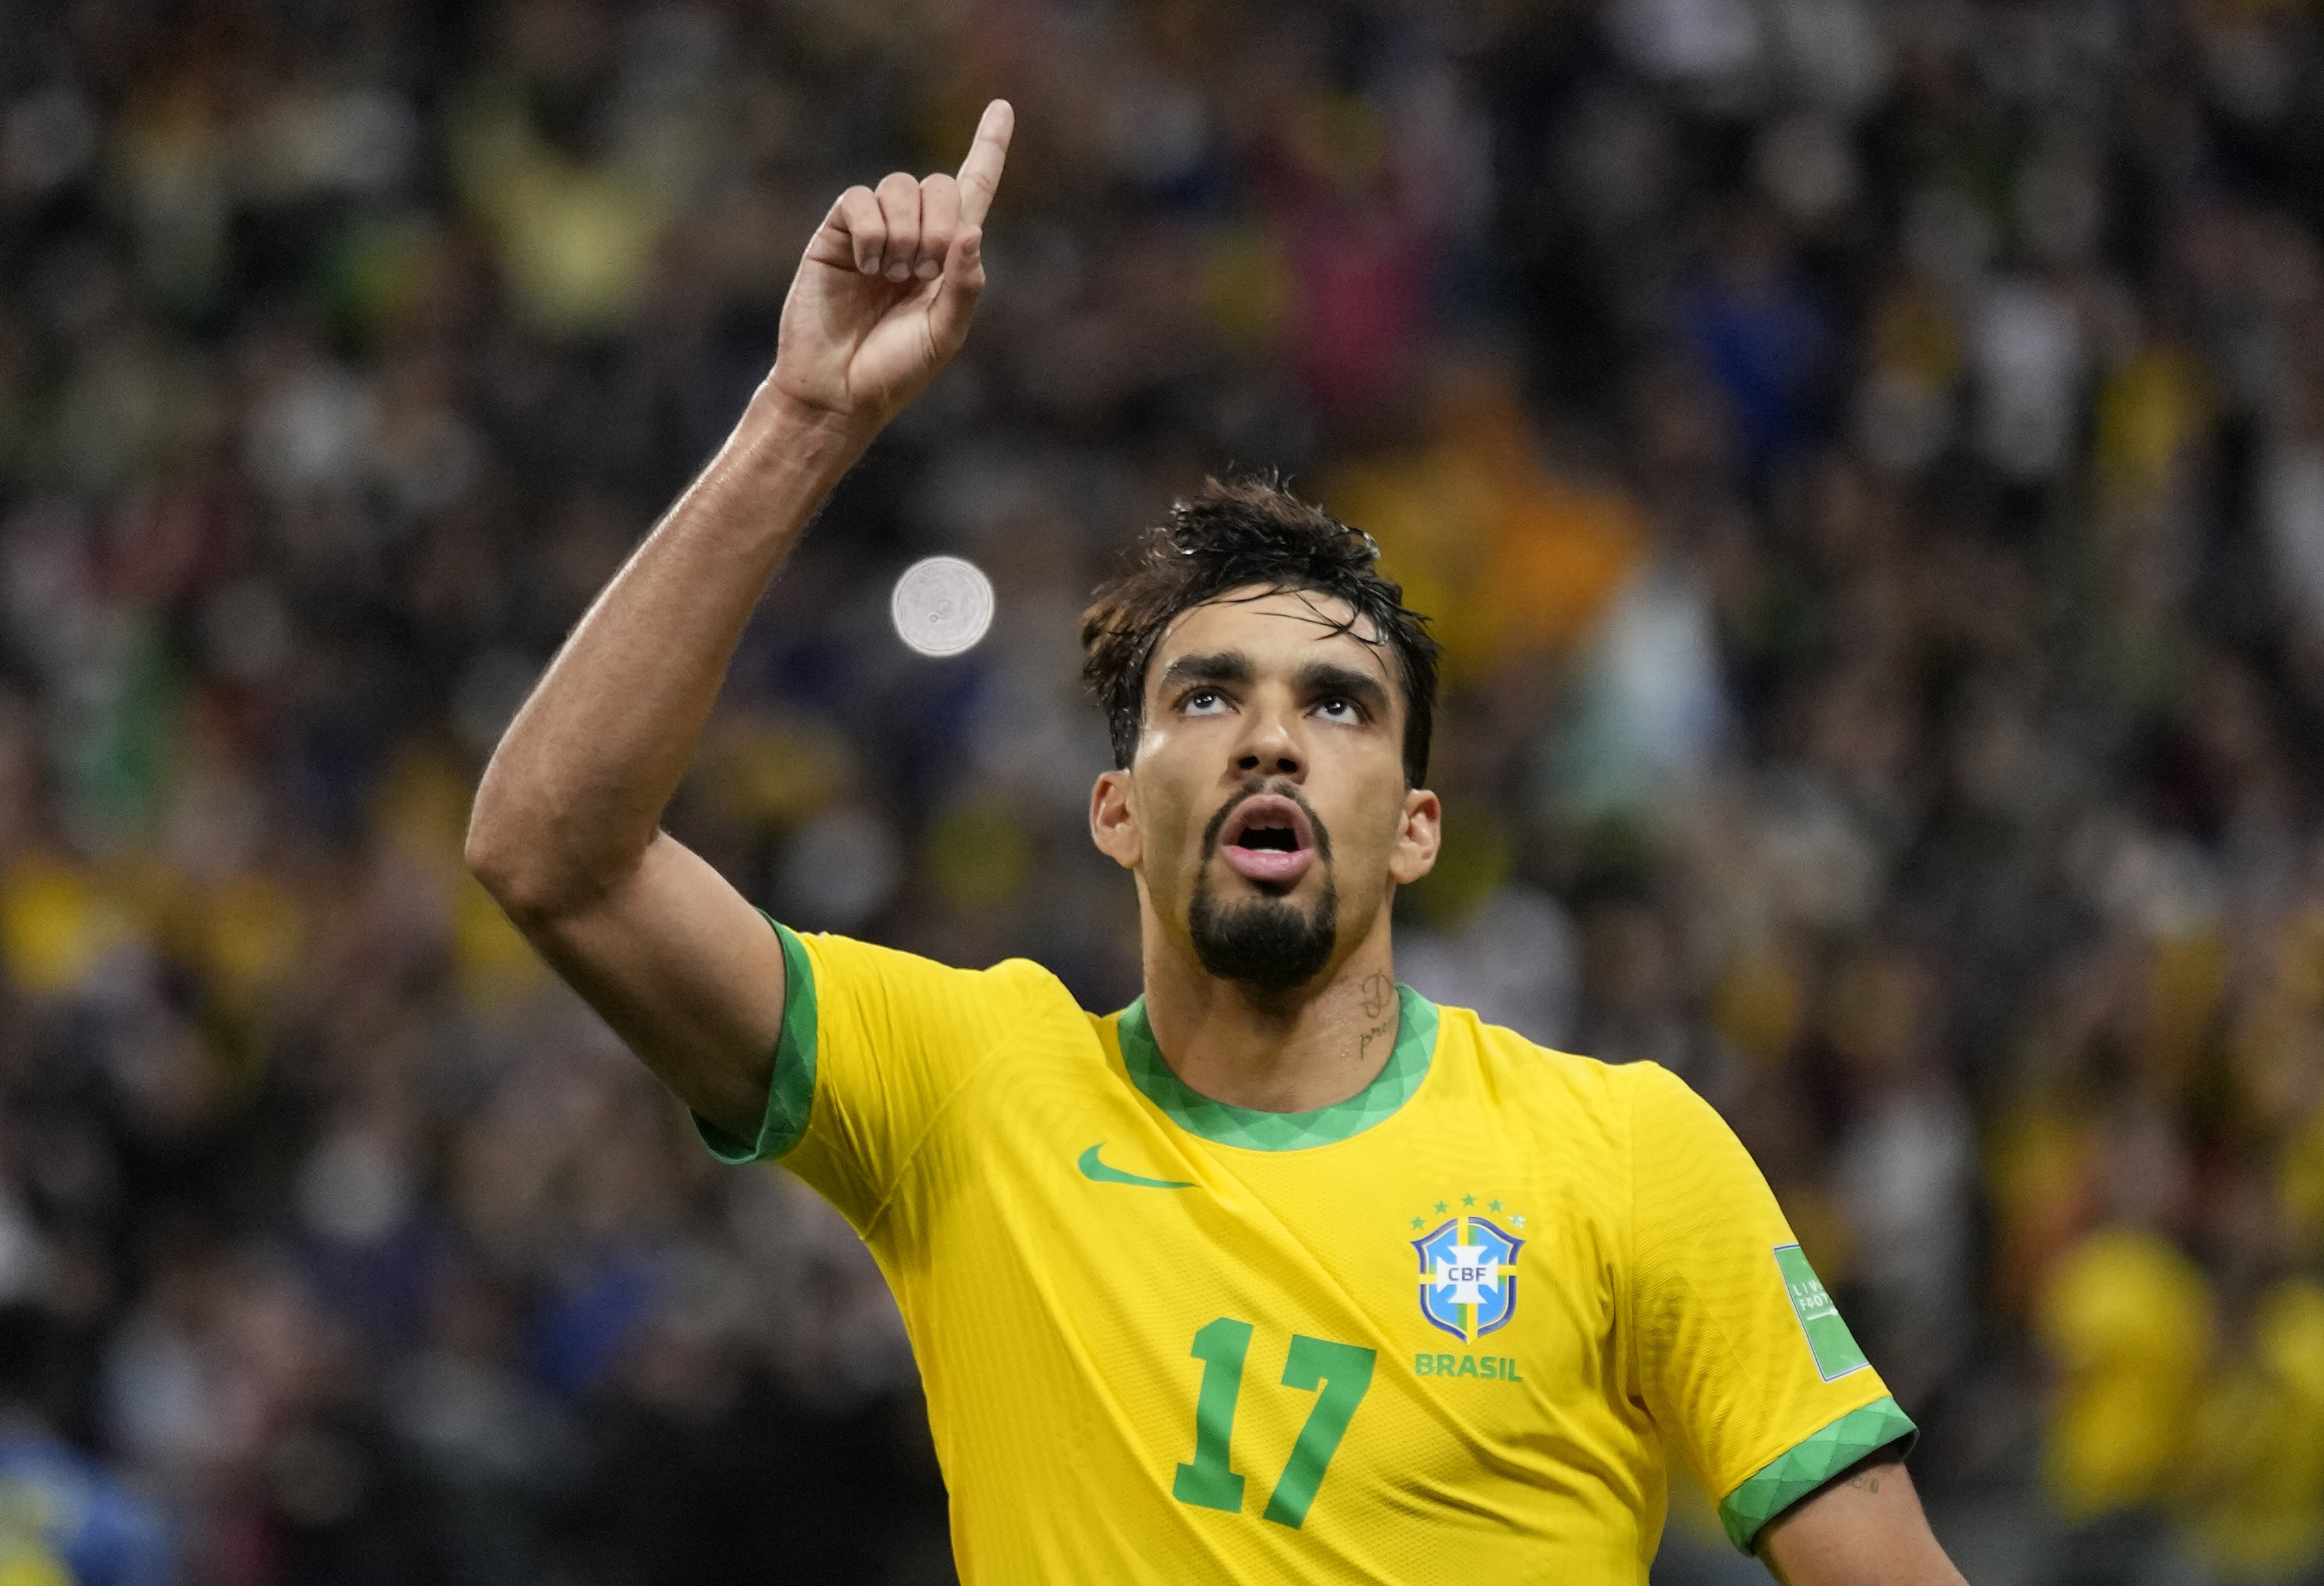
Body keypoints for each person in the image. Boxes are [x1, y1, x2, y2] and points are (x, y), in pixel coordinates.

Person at [465, 100, 1971, 1585]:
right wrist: (801, 423)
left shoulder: (1626, 1156)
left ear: (1416, 830)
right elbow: (552, 856)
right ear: (1116, 810)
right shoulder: (967, 1100)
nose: (1271, 737)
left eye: (1338, 703)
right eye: (1205, 696)